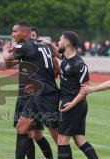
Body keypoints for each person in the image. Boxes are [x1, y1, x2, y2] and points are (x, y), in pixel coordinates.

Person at [3, 20, 59, 159]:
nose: (12, 34)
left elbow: (7, 58)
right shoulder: (42, 46)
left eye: (15, 31)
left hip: (46, 94)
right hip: (38, 92)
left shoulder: (25, 45)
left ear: (25, 32)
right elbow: (46, 68)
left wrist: (5, 49)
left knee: (57, 136)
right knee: (22, 127)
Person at [43, 31, 99, 159]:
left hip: (73, 105)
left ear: (66, 43)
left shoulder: (78, 64)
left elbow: (85, 89)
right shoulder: (66, 59)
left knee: (62, 141)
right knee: (80, 140)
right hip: (74, 105)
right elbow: (59, 53)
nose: (58, 41)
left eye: (60, 39)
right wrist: (49, 44)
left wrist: (71, 104)